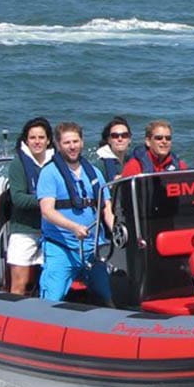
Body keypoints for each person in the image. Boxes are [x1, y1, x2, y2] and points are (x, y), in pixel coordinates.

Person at [37, 122, 115, 305]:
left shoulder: (94, 172)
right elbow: (47, 211)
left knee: (106, 296)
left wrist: (117, 231)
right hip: (61, 247)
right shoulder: (49, 173)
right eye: (67, 143)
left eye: (75, 141)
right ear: (58, 145)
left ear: (82, 142)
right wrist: (73, 227)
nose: (72, 146)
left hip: (92, 248)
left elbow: (106, 209)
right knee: (52, 298)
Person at [6, 117, 54, 296]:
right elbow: (18, 198)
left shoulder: (56, 163)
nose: (37, 142)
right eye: (32, 138)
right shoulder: (17, 164)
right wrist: (47, 201)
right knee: (20, 285)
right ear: (26, 140)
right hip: (24, 230)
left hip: (51, 230)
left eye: (41, 137)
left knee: (50, 283)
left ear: (48, 140)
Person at [121, 119, 188, 176]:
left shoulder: (180, 166)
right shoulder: (134, 166)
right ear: (148, 141)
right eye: (159, 138)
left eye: (168, 138)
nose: (164, 141)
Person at [96, 116, 132, 181]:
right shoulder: (100, 165)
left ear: (129, 140)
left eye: (124, 135)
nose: (120, 139)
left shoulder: (131, 160)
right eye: (115, 136)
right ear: (109, 140)